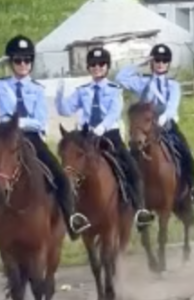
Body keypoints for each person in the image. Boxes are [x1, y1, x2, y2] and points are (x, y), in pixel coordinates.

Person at [0, 34, 89, 240]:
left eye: (27, 60)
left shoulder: (37, 89)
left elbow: (40, 120)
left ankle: (71, 218)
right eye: (17, 60)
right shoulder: (0, 86)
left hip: (31, 138)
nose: (23, 64)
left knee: (58, 174)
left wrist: (21, 123)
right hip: (6, 139)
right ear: (11, 63)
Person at [55, 47, 154, 231]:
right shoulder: (82, 91)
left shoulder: (114, 89)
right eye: (93, 64)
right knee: (69, 169)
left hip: (109, 136)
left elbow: (114, 111)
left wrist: (101, 127)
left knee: (132, 169)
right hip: (85, 137)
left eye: (101, 64)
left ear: (107, 67)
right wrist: (59, 95)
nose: (97, 67)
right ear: (88, 67)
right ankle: (73, 214)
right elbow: (65, 110)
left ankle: (139, 210)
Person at [115, 43, 194, 201]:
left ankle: (191, 186)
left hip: (167, 126)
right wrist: (138, 65)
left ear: (168, 64)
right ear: (152, 63)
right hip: (146, 128)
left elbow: (172, 105)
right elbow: (120, 78)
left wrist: (164, 117)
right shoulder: (143, 83)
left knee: (186, 151)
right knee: (131, 155)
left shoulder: (173, 85)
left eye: (164, 60)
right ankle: (130, 192)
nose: (160, 63)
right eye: (157, 60)